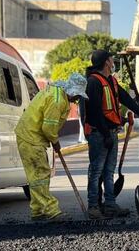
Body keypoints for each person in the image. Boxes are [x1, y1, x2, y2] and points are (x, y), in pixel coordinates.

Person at [83, 49, 139, 219]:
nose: (113, 60)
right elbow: (93, 112)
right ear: (107, 62)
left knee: (109, 171)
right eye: (111, 58)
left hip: (110, 133)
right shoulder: (93, 82)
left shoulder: (111, 81)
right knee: (96, 171)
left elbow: (126, 99)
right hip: (99, 134)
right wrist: (106, 134)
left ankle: (110, 205)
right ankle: (93, 206)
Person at [15, 73, 88, 221]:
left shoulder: (57, 93)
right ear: (72, 91)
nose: (77, 100)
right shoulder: (57, 100)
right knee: (40, 175)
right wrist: (55, 142)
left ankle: (37, 211)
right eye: (77, 96)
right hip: (31, 138)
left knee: (37, 176)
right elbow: (48, 128)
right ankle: (51, 210)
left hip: (30, 136)